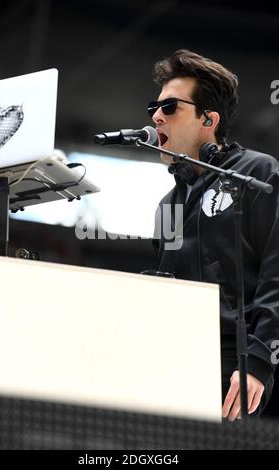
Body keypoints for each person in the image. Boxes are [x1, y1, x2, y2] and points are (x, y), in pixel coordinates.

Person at [151, 49, 278, 421]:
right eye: (154, 108)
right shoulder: (168, 204)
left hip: (240, 365)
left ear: (209, 119)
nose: (157, 116)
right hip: (177, 366)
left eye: (170, 107)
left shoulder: (257, 173)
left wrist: (258, 361)